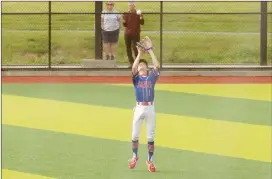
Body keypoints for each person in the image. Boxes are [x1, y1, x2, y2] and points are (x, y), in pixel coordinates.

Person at [128, 36, 159, 173]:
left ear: (147, 69)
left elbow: (156, 66)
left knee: (150, 136)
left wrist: (150, 51)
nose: (140, 65)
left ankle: (150, 160)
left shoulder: (151, 78)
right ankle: (134, 156)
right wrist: (140, 54)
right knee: (135, 135)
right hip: (139, 107)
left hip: (150, 107)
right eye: (140, 64)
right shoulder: (137, 79)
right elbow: (133, 68)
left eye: (143, 65)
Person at [122, 2, 144, 67]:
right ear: (128, 6)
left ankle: (137, 62)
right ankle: (131, 62)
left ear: (135, 6)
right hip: (127, 33)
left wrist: (140, 16)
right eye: (130, 5)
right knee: (128, 48)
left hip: (136, 33)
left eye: (132, 5)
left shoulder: (138, 13)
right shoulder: (126, 13)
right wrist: (123, 21)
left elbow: (142, 23)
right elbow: (125, 24)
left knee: (135, 47)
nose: (131, 7)